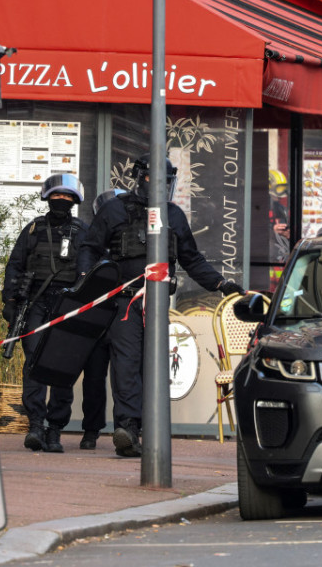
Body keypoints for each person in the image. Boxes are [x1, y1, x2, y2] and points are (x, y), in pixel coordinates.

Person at [77, 154, 244, 458]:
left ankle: (143, 428)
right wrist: (88, 282)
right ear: (139, 178)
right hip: (123, 303)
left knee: (152, 366)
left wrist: (220, 284)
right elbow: (89, 249)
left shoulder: (174, 216)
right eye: (154, 180)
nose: (160, 187)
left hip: (156, 302)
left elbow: (192, 260)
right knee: (126, 364)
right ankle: (127, 427)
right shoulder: (114, 210)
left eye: (165, 182)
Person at [2, 174, 99, 453]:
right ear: (48, 198)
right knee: (33, 363)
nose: (62, 201)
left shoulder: (83, 232)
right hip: (35, 304)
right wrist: (9, 300)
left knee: (62, 366)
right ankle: (35, 425)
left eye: (68, 197)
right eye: (58, 196)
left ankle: (55, 429)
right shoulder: (33, 230)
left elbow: (92, 269)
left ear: (75, 201)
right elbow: (15, 266)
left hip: (67, 306)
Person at [267, 170, 290, 261]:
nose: (280, 194)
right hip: (265, 258)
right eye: (278, 189)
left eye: (283, 189)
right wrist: (273, 231)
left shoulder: (282, 209)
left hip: (280, 257)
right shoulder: (256, 209)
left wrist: (287, 234)